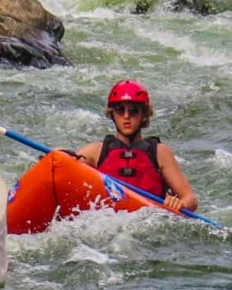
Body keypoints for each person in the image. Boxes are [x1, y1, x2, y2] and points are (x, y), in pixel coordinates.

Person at [72, 80, 200, 213]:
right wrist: (58, 156)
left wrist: (179, 204)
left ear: (143, 115)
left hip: (150, 220)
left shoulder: (160, 153)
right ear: (112, 114)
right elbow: (66, 165)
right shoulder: (95, 152)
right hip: (108, 221)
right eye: (120, 110)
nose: (126, 116)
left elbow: (190, 199)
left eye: (133, 111)